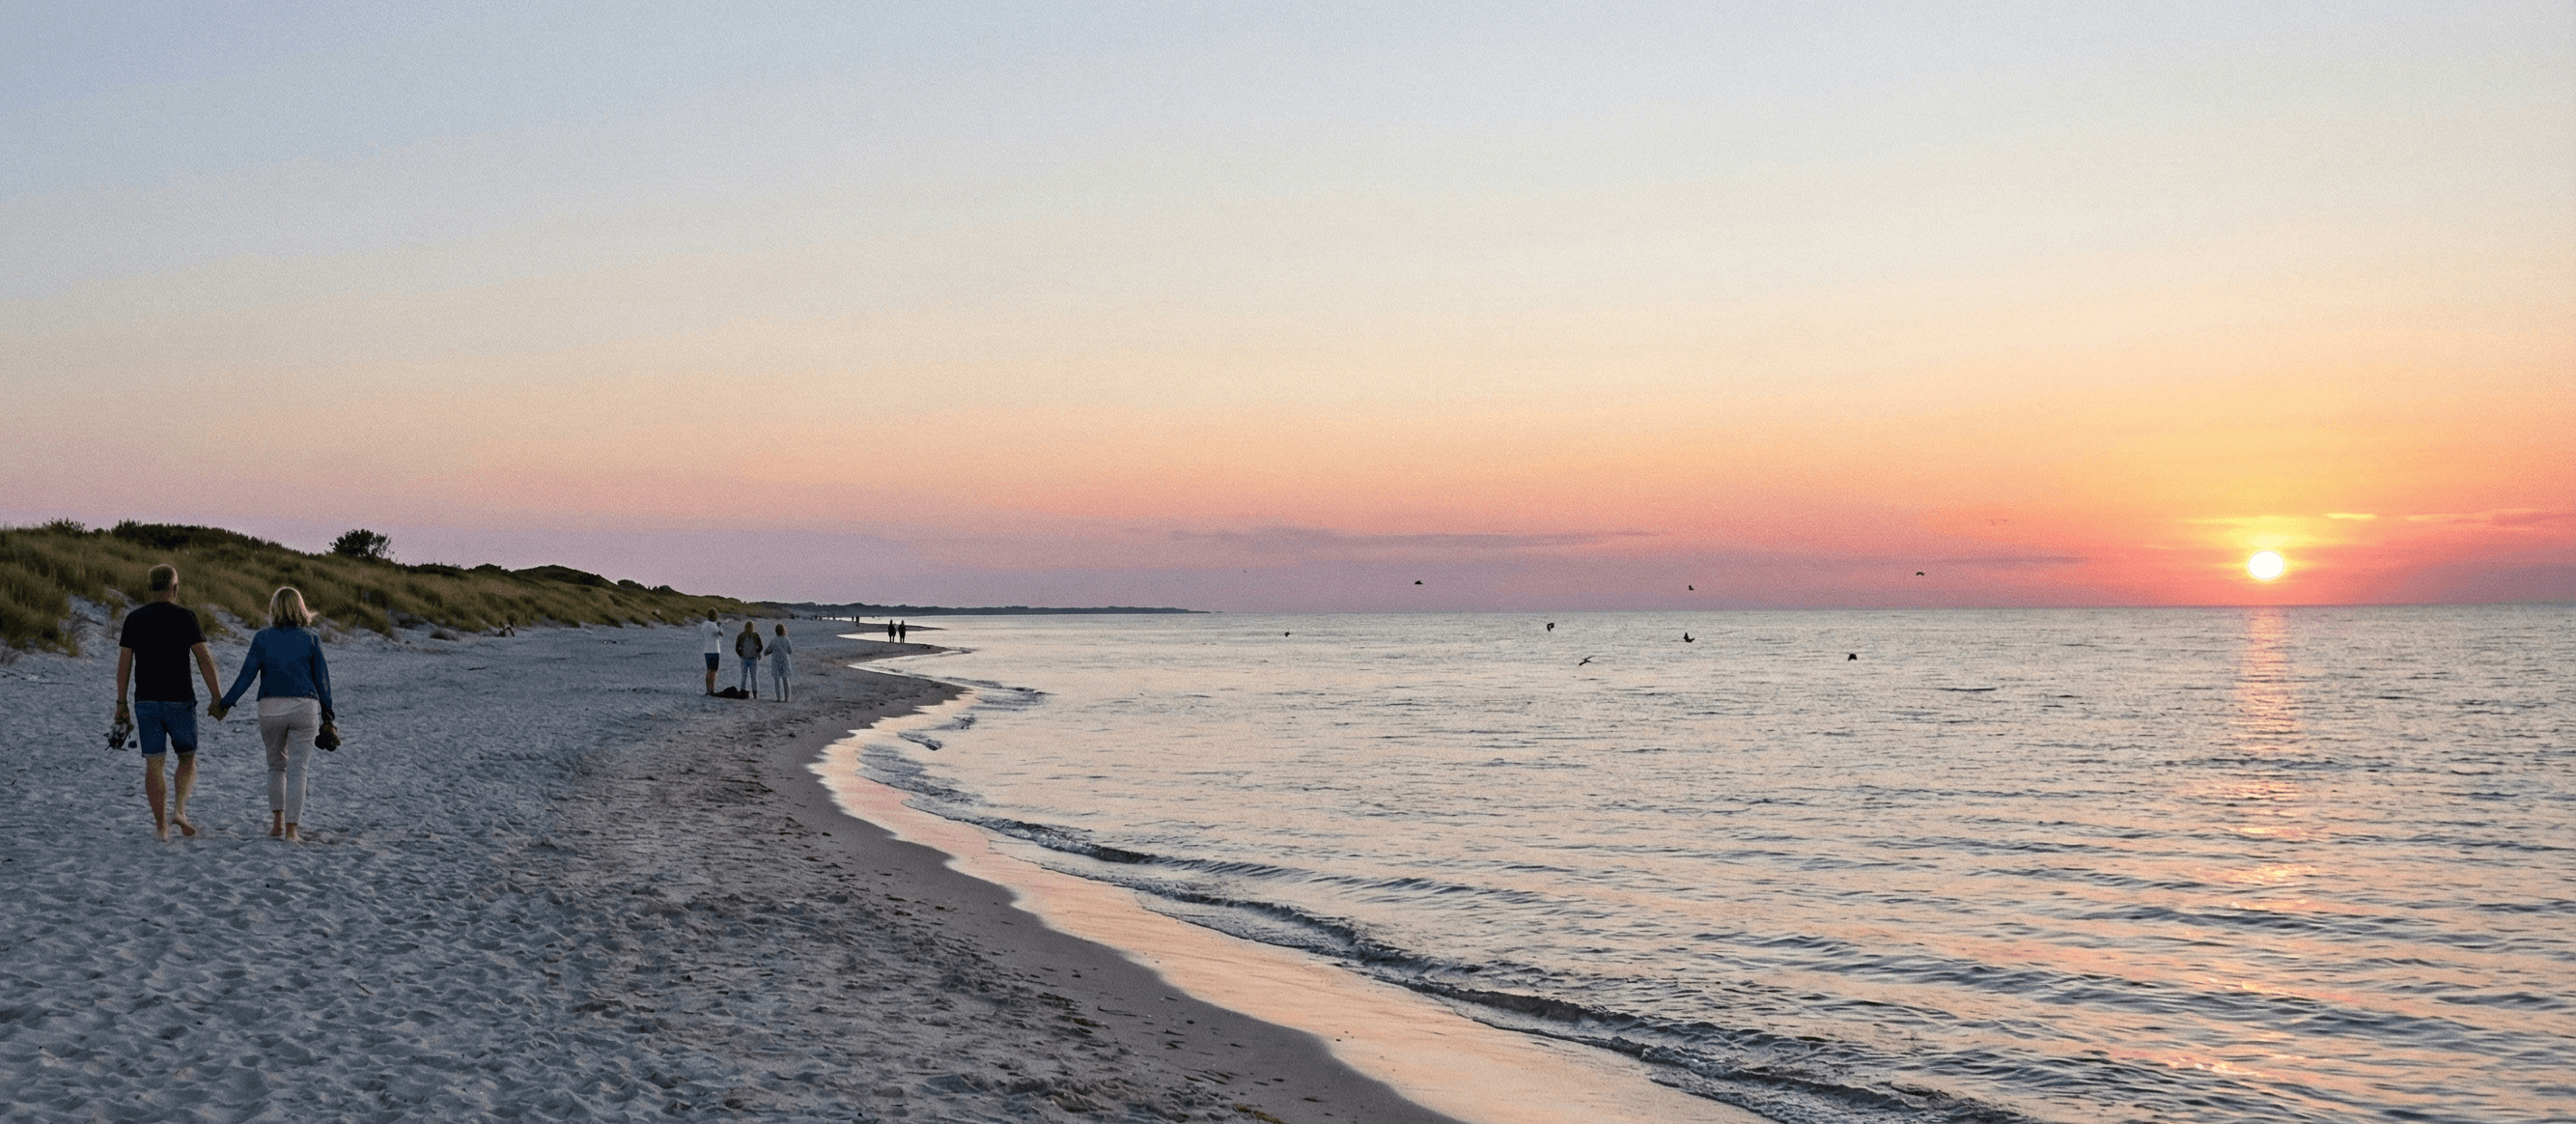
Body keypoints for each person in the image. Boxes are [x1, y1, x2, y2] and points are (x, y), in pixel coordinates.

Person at [115, 563, 223, 839]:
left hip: (146, 701)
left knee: (154, 762)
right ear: (175, 588)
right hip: (180, 700)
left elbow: (124, 664)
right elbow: (203, 657)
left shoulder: (134, 619)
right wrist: (216, 695)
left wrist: (121, 703)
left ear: (150, 587)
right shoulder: (187, 617)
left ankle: (161, 827)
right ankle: (178, 810)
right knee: (187, 757)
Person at [219, 587, 335, 842]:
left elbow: (246, 675)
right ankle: (292, 830)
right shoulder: (311, 638)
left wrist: (226, 703)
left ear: (274, 609)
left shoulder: (262, 637)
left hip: (270, 709)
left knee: (275, 765)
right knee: (298, 769)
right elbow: (322, 680)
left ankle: (277, 824)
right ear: (300, 608)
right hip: (304, 707)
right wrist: (328, 714)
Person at [734, 621, 765, 697]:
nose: (749, 630)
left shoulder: (754, 636)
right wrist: (740, 654)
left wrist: (757, 652)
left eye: (750, 628)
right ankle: (746, 692)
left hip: (751, 659)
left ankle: (752, 693)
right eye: (748, 628)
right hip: (746, 659)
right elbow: (737, 647)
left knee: (751, 677)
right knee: (747, 677)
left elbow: (761, 647)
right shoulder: (742, 636)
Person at [767, 623, 794, 701]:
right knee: (785, 680)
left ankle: (778, 698)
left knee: (777, 681)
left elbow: (768, 650)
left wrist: (767, 652)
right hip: (785, 661)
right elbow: (790, 651)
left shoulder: (774, 640)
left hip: (776, 662)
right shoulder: (786, 640)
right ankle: (787, 698)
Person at [699, 610, 722, 694]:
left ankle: (707, 690)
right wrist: (718, 627)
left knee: (709, 670)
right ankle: (711, 689)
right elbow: (720, 633)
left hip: (707, 649)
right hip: (714, 650)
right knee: (713, 671)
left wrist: (717, 625)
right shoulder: (713, 625)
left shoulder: (704, 624)